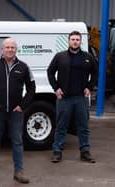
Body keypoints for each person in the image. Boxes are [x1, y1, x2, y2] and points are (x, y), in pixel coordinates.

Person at [0, 38, 36, 184]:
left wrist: (22, 106)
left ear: (16, 49)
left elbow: (31, 88)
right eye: (7, 47)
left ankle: (19, 172)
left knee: (17, 141)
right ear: (2, 50)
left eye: (12, 47)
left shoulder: (23, 67)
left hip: (16, 112)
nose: (10, 50)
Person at [47, 31, 97, 163]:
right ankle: (57, 151)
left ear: (80, 41)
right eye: (73, 39)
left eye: (77, 39)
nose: (75, 41)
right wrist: (56, 88)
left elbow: (96, 73)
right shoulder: (60, 56)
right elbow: (50, 72)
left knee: (83, 126)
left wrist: (89, 87)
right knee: (61, 126)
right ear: (68, 41)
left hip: (81, 98)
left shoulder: (88, 57)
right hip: (64, 98)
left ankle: (85, 152)